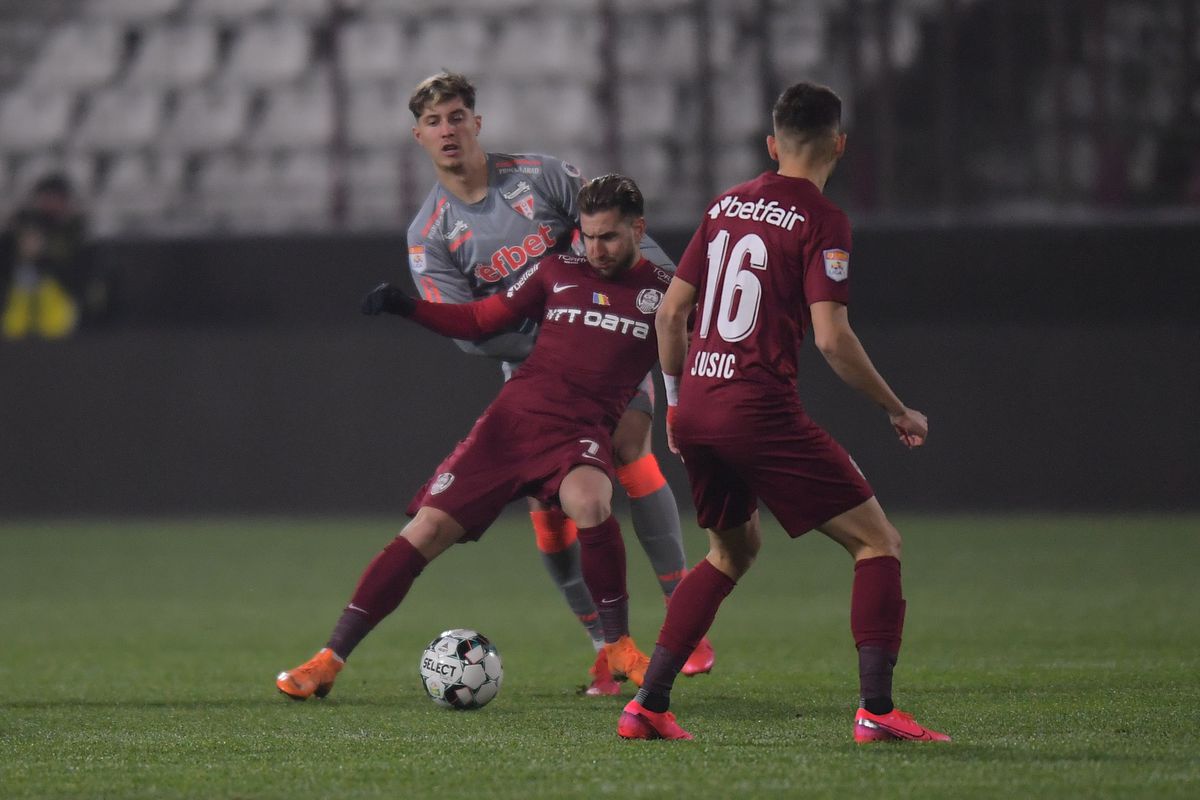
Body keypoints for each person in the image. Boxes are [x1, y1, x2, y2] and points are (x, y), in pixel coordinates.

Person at [617, 82, 950, 743]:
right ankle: (877, 712)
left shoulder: (724, 204)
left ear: (772, 144)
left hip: (703, 405)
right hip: (757, 407)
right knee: (877, 541)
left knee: (729, 552)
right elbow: (832, 338)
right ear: (839, 144)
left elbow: (673, 313)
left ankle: (647, 704)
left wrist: (679, 406)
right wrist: (895, 408)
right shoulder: (825, 220)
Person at [276, 174, 672, 700]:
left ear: (638, 229)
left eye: (610, 237)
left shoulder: (665, 294)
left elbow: (701, 356)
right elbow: (481, 319)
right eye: (589, 236)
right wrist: (406, 306)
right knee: (427, 529)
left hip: (580, 432)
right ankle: (328, 659)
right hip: (511, 425)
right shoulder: (557, 270)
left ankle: (618, 645)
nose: (596, 249)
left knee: (591, 501)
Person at [398, 71, 712, 694]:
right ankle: (603, 644)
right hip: (533, 372)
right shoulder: (429, 233)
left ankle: (687, 619)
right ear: (420, 136)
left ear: (476, 122)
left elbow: (617, 228)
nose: (449, 130)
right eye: (435, 122)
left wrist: (667, 297)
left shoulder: (540, 176)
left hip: (609, 347)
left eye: (458, 115)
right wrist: (557, 342)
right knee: (547, 502)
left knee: (629, 447)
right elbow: (469, 332)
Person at [0, 173, 97, 340]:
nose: (50, 203)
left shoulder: (74, 230)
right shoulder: (23, 223)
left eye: (55, 198)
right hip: (20, 295)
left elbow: (78, 269)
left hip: (58, 295)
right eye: (46, 197)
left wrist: (43, 253)